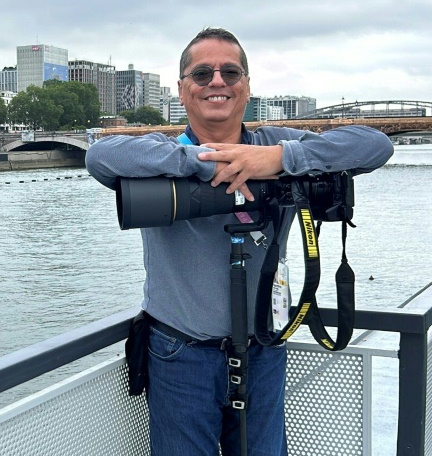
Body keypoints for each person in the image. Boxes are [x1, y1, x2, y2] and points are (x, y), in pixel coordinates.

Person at [85, 27, 394, 456]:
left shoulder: (276, 144)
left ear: (247, 87)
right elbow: (99, 157)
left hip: (263, 348)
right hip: (180, 351)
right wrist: (201, 163)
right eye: (202, 74)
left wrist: (278, 160)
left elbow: (375, 146)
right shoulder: (160, 151)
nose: (217, 82)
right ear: (181, 89)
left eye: (231, 73)